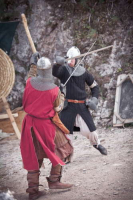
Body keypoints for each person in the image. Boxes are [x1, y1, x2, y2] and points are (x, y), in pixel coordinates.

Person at [20, 52, 73, 200]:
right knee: (63, 148)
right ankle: (54, 180)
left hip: (29, 125)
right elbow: (57, 108)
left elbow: (31, 75)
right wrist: (62, 94)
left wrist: (32, 63)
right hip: (45, 125)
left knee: (34, 154)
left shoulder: (29, 82)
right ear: (49, 71)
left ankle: (33, 191)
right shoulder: (54, 89)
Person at [52, 46, 107, 156]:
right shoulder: (64, 70)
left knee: (91, 130)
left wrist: (94, 99)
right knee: (66, 133)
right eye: (69, 59)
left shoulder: (84, 72)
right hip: (68, 106)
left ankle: (97, 144)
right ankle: (66, 156)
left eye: (73, 59)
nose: (70, 61)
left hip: (82, 106)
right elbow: (55, 73)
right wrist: (57, 64)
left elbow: (95, 87)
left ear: (77, 60)